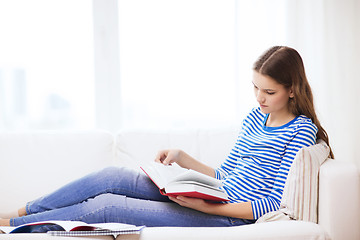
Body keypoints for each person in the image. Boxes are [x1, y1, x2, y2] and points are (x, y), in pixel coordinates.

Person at [0, 46, 333, 228]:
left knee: (107, 207)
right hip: (214, 194)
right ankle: (21, 212)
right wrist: (182, 158)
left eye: (269, 91)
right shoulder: (255, 117)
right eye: (255, 88)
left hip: (228, 214)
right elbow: (225, 173)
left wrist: (210, 208)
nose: (259, 98)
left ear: (292, 90)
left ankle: (13, 226)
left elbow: (275, 202)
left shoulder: (301, 131)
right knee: (112, 176)